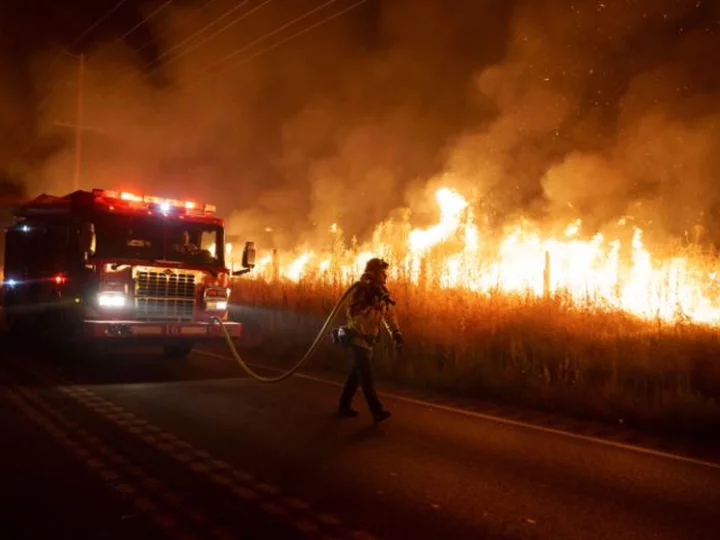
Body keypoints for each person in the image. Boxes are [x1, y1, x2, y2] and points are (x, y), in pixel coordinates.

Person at [337, 257, 404, 422]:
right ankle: (377, 410)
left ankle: (343, 406)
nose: (386, 276)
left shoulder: (382, 292)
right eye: (383, 273)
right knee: (366, 375)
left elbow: (389, 314)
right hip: (358, 340)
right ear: (373, 273)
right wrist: (368, 308)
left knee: (356, 375)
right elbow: (353, 314)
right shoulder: (362, 290)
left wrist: (396, 332)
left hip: (369, 341)